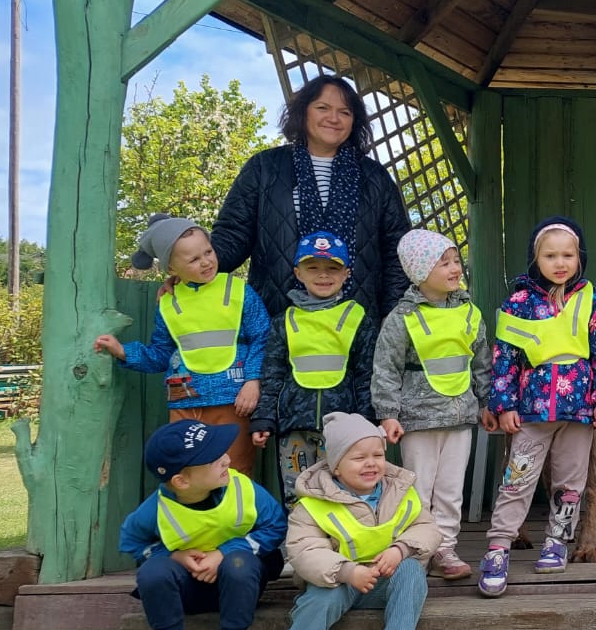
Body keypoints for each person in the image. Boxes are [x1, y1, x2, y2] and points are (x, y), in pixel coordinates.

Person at [480, 217, 596, 597]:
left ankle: (557, 540)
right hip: (531, 412)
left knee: (570, 482)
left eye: (567, 255)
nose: (560, 263)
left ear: (579, 258)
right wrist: (504, 403)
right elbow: (505, 357)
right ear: (536, 258)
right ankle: (498, 546)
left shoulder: (592, 300)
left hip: (578, 412)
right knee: (517, 480)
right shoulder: (519, 303)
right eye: (550, 256)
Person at [253, 412, 440, 630]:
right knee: (319, 599)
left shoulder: (400, 490)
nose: (371, 463)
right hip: (337, 581)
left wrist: (400, 549)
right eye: (359, 457)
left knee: (411, 572)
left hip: (384, 578)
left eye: (378, 455)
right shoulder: (313, 503)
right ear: (336, 466)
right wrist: (347, 572)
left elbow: (428, 528)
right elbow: (304, 550)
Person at [211, 74, 411, 322]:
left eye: (345, 112)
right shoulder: (264, 167)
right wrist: (191, 267)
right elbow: (232, 234)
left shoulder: (375, 177)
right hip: (278, 323)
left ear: (354, 121)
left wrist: (391, 319)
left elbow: (397, 252)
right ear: (303, 112)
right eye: (322, 108)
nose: (334, 118)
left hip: (357, 328)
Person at [95, 215, 269, 475]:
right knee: (186, 473)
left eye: (208, 252)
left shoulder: (238, 291)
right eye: (193, 259)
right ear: (172, 269)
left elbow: (262, 336)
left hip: (233, 401)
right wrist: (123, 352)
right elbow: (161, 354)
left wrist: (253, 381)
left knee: (234, 472)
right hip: (184, 404)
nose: (206, 261)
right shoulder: (168, 302)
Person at [118, 419, 286, 630]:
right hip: (189, 589)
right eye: (214, 459)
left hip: (240, 585)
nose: (227, 460)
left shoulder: (243, 489)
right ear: (181, 481)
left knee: (238, 562)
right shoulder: (156, 509)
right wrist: (174, 556)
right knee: (152, 571)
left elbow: (276, 526)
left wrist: (224, 553)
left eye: (223, 452)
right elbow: (131, 541)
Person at [372, 230, 493, 581]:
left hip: (460, 417)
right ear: (420, 271)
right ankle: (416, 550)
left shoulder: (470, 312)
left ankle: (445, 548)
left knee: (451, 490)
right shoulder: (402, 318)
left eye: (456, 261)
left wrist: (486, 402)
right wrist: (388, 414)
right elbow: (386, 368)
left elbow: (482, 362)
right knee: (418, 490)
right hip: (418, 420)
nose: (455, 268)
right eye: (444, 263)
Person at [250, 232, 376, 504]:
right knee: (298, 495)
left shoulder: (357, 317)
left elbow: (366, 374)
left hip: (342, 428)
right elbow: (272, 374)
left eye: (333, 268)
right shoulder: (284, 320)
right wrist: (264, 418)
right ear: (298, 273)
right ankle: (300, 534)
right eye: (313, 268)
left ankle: (338, 534)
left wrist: (366, 419)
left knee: (340, 492)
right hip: (294, 426)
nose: (323, 275)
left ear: (346, 274)